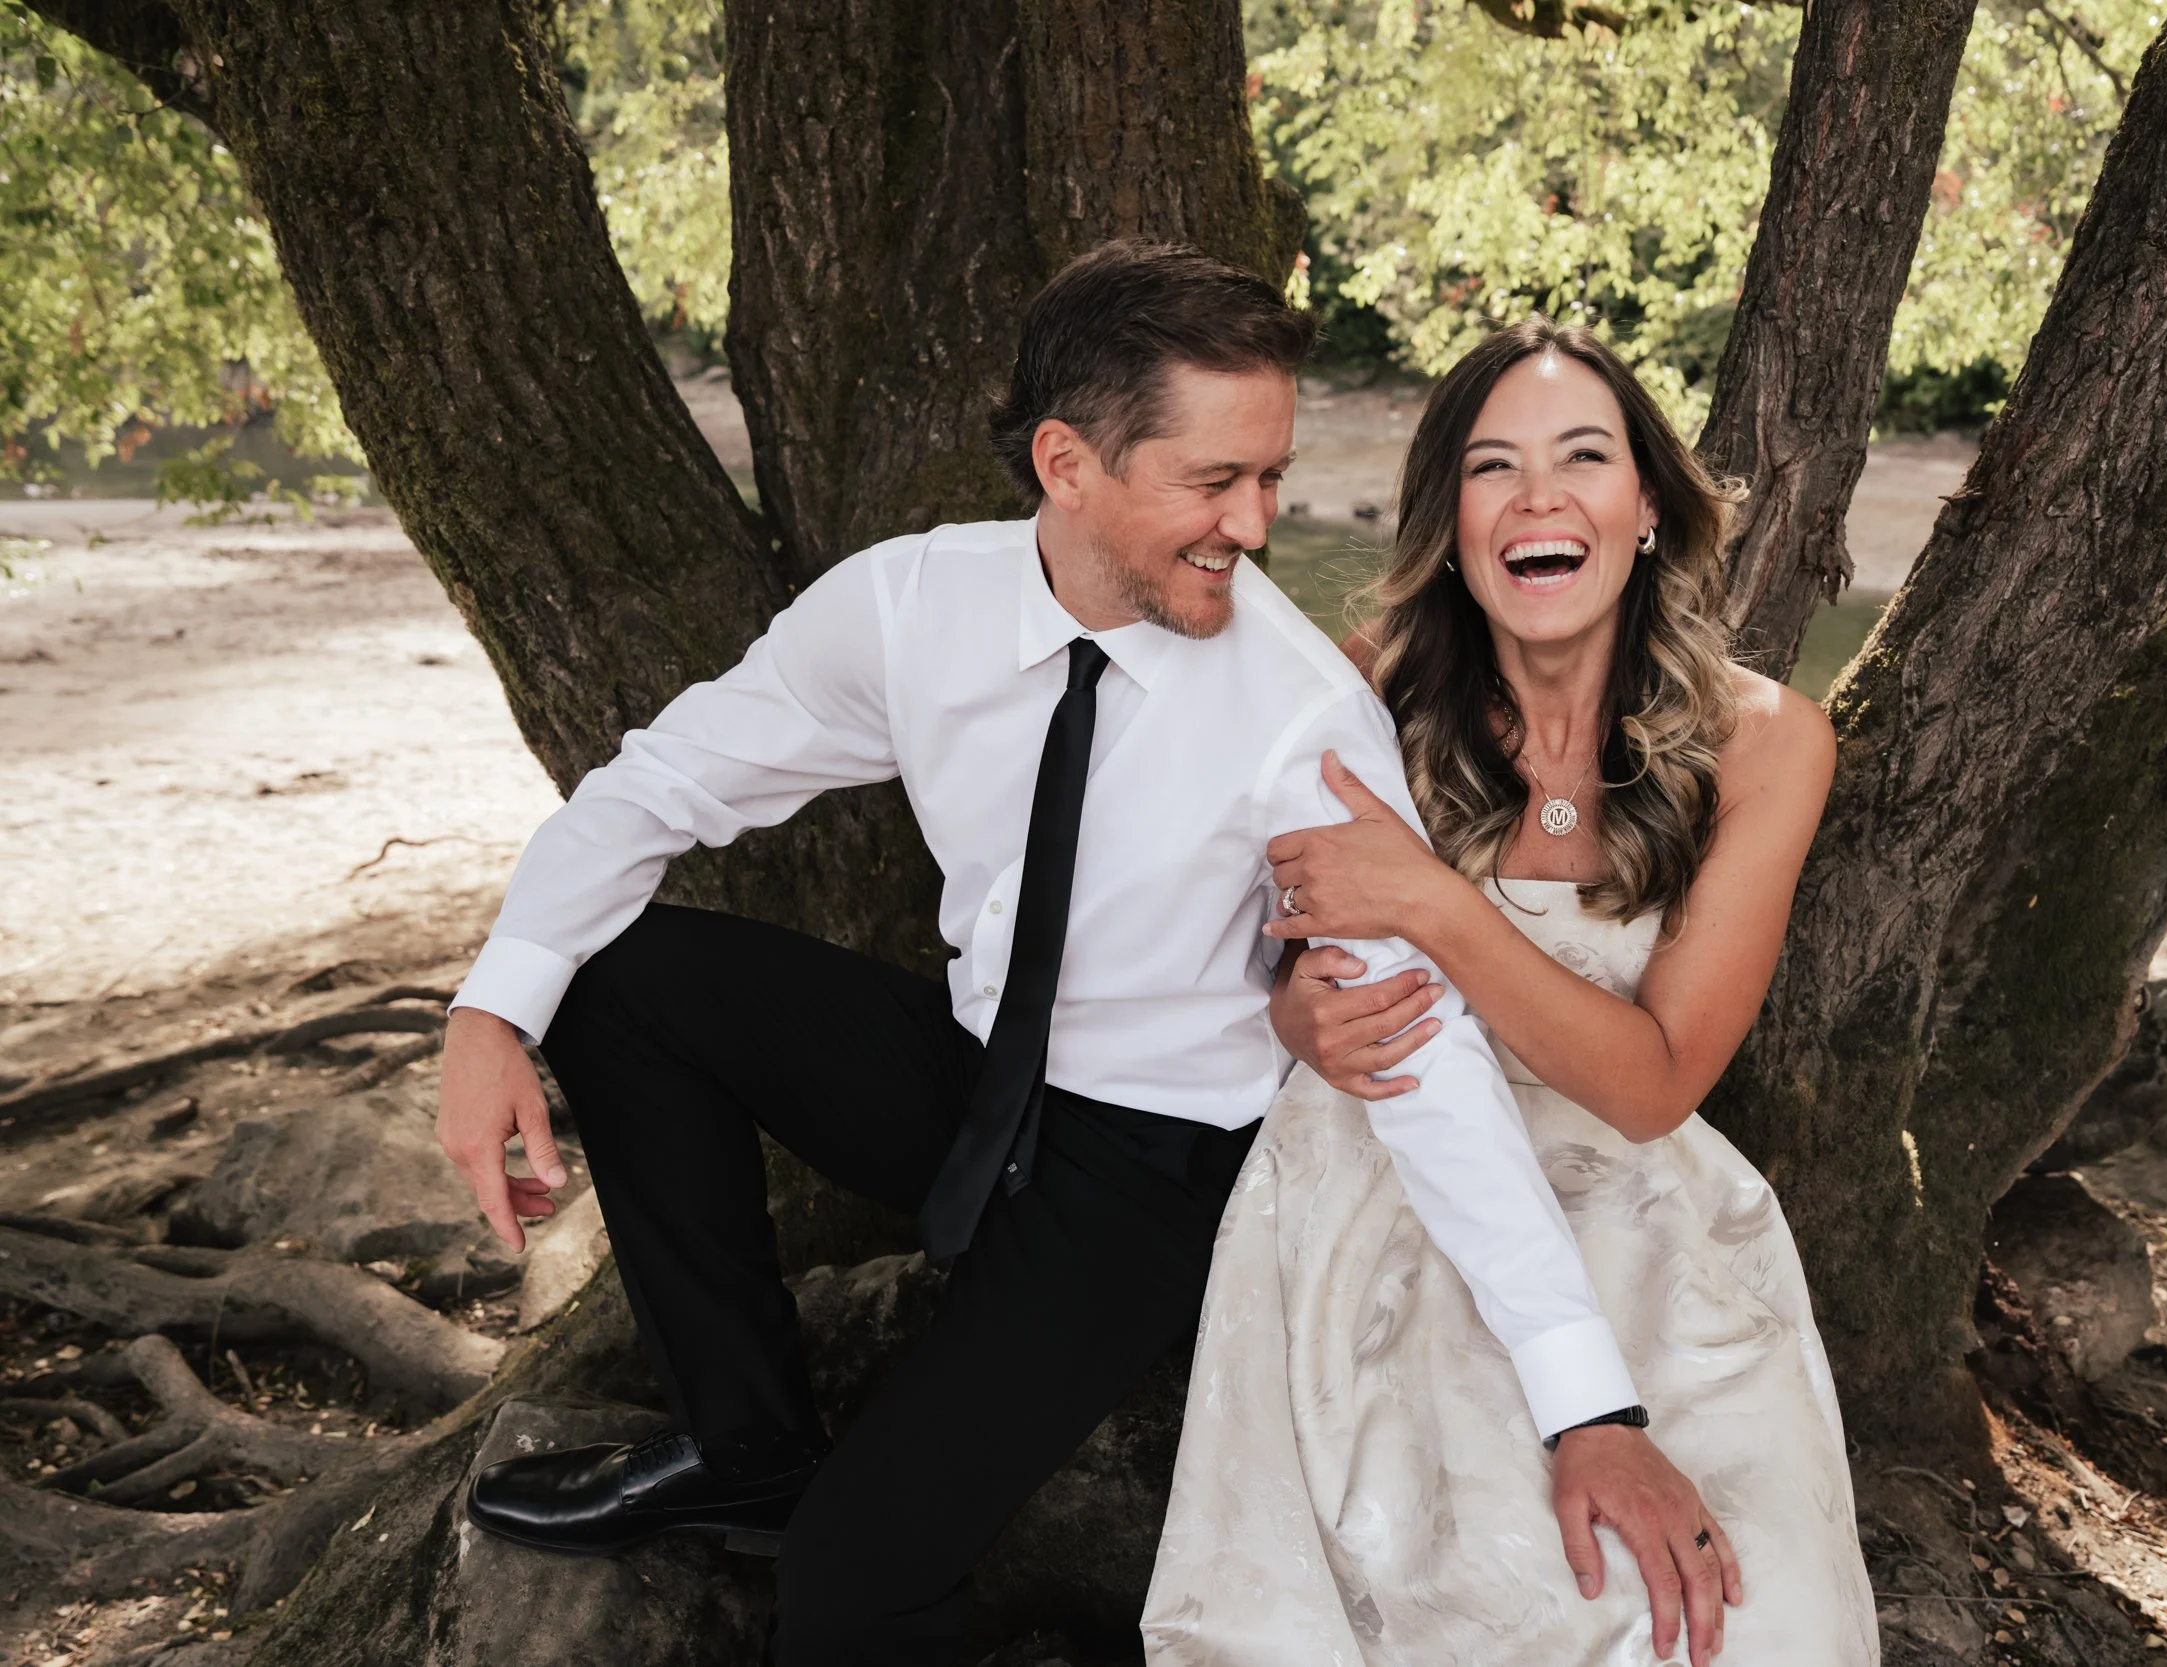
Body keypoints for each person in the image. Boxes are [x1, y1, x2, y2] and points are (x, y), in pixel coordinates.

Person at [434, 243, 1696, 1664]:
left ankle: (832, 1519)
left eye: (1271, 478)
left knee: (855, 1580)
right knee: (612, 975)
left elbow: (1421, 1047)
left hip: (1148, 1169)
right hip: (971, 1081)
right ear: (1067, 462)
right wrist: (491, 1010)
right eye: (1215, 482)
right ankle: (747, 1441)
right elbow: (666, 783)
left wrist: (1590, 1403)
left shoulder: (1296, 716)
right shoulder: (908, 610)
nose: (1258, 525)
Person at [1141, 320, 1881, 1665]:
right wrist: (1290, 1012)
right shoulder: (1359, 694)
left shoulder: (1766, 740)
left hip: (1642, 1203)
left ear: (1645, 506)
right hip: (1384, 1193)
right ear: (1454, 519)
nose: (1539, 495)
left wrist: (1430, 902)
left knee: (1732, 1622)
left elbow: (1656, 1080)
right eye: (1494, 467)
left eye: (1582, 456)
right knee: (1497, 1584)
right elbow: (1248, 952)